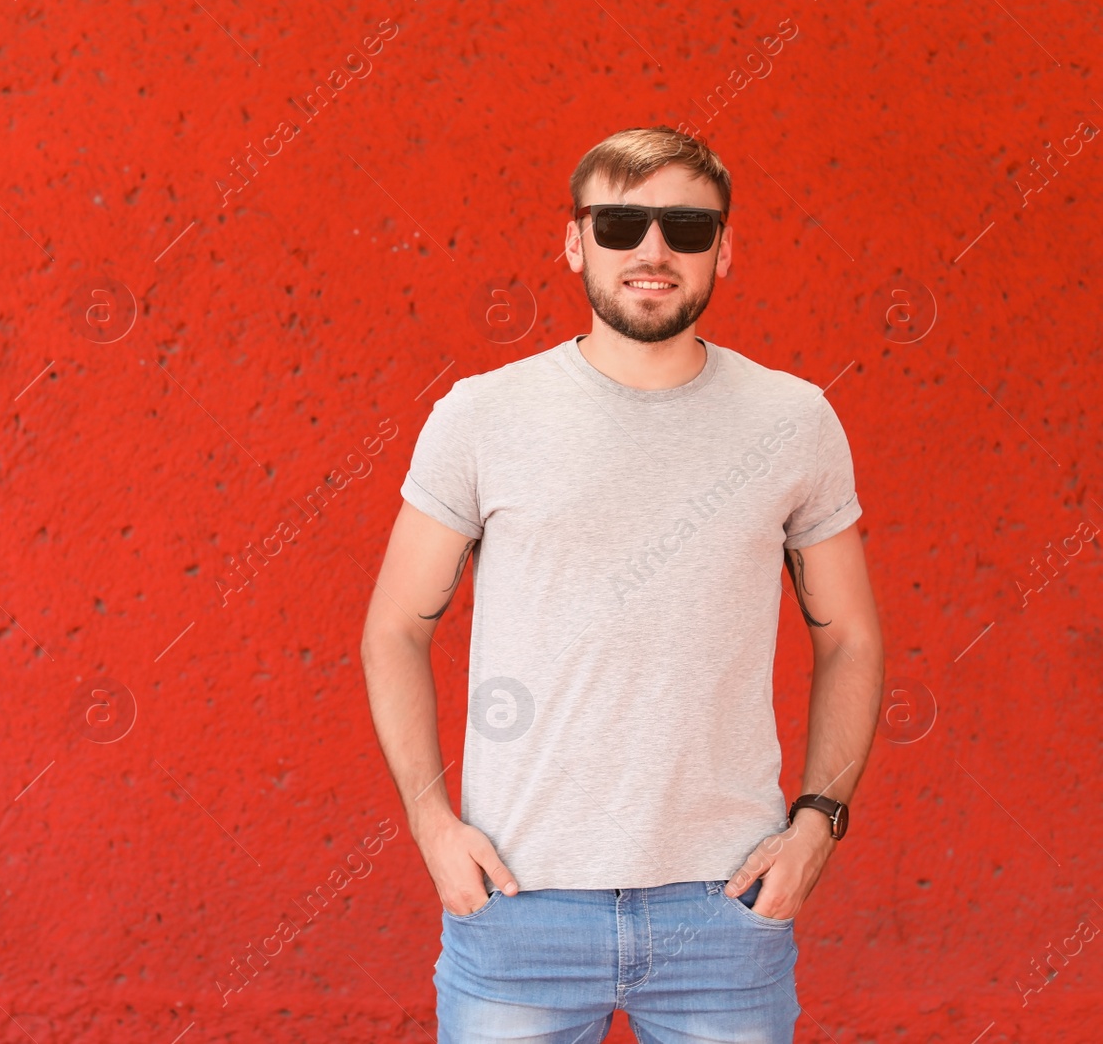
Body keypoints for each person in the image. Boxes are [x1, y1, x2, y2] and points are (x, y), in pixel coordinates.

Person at [359, 125, 884, 1043]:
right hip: (519, 900)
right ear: (574, 242)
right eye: (620, 224)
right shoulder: (483, 415)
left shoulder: (793, 420)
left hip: (724, 904)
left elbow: (851, 639)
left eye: (686, 226)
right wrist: (431, 822)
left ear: (726, 247)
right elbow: (394, 627)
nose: (653, 250)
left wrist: (817, 825)